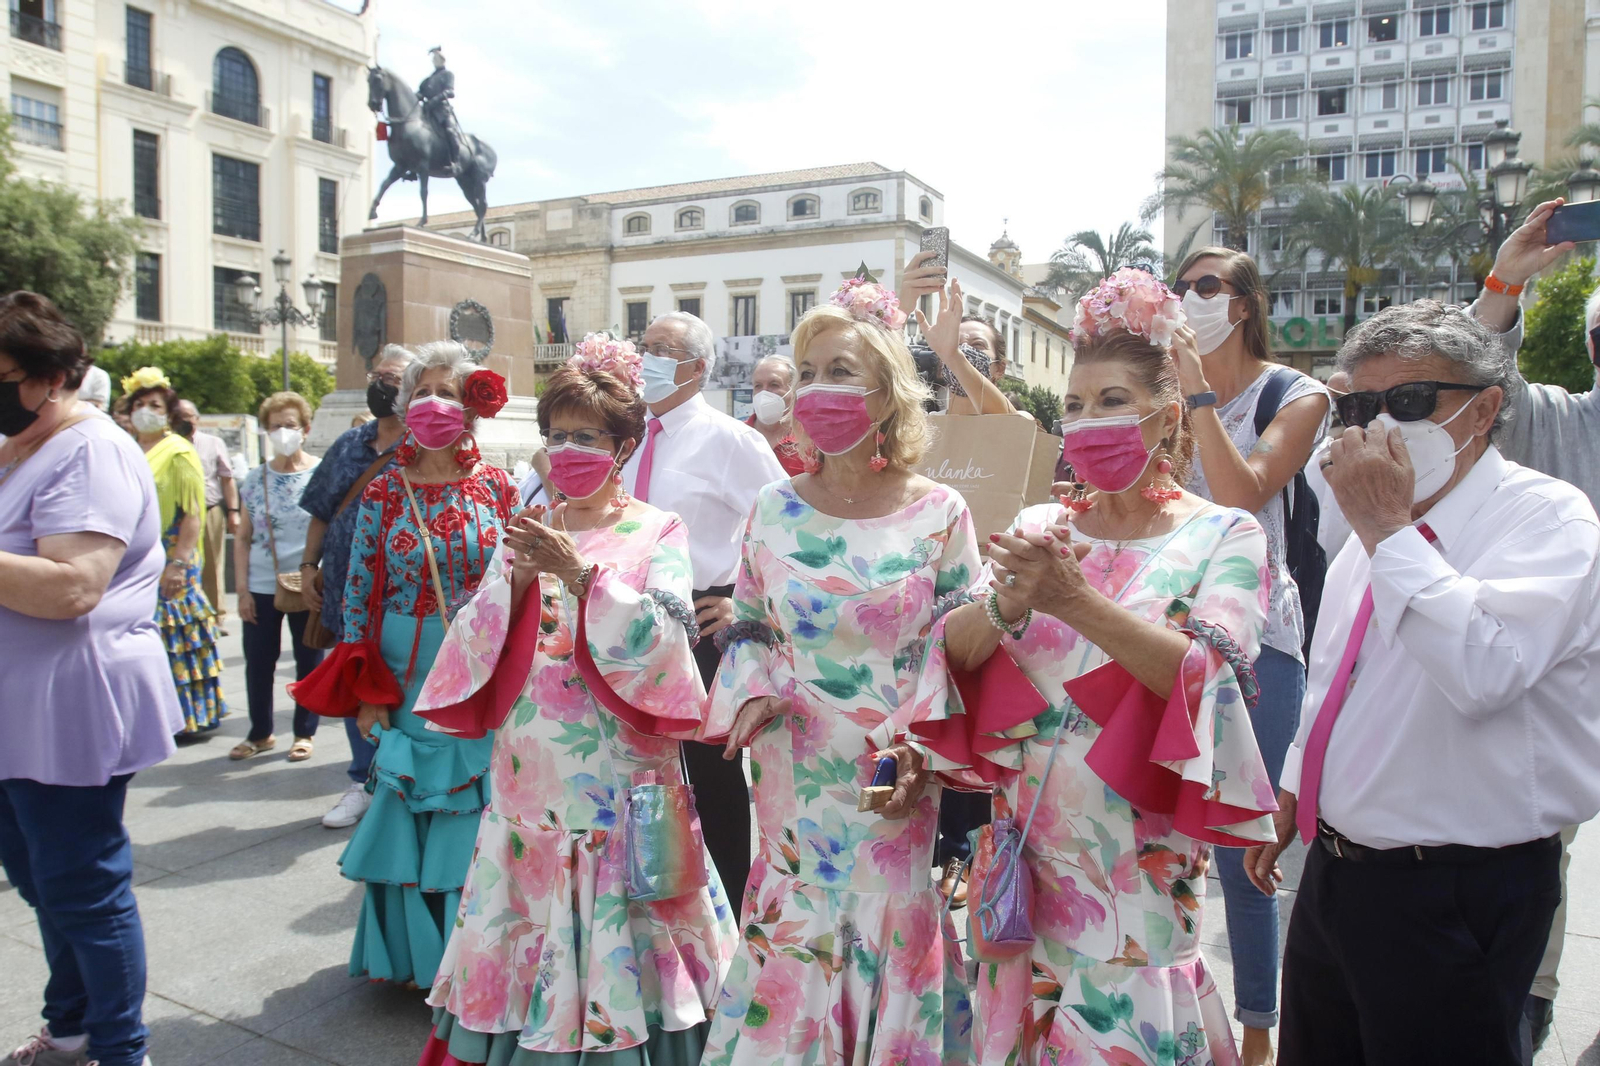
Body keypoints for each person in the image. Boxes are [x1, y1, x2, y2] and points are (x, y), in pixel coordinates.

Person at [907, 268, 1275, 1066]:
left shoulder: (1227, 536)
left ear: (1166, 414)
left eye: (1111, 401)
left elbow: (1207, 684)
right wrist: (1007, 603)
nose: (1085, 421)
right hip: (1027, 864)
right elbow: (954, 649)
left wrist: (1072, 602)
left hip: (1142, 868)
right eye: (1074, 405)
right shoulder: (1042, 522)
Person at [1242, 301, 1600, 1065]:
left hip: (1459, 891)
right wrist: (1295, 785)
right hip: (1339, 879)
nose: (1379, 425)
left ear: (1485, 408)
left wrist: (1388, 530)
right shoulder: (1369, 531)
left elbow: (1485, 669)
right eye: (1359, 406)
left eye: (1408, 402)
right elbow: (1336, 676)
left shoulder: (1546, 518)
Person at [410, 335, 737, 1066]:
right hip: (530, 768)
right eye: (555, 437)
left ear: (622, 446)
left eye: (584, 437)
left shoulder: (659, 528)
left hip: (621, 772)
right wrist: (520, 580)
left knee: (627, 896)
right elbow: (476, 636)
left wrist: (584, 579)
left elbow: (666, 644)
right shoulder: (528, 526)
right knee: (530, 897)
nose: (566, 451)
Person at [700, 280, 975, 1066]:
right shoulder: (772, 508)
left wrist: (919, 746)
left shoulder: (942, 512)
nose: (819, 388)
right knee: (794, 913)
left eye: (841, 371)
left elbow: (958, 641)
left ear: (887, 394)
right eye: (808, 370)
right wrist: (749, 692)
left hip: (895, 766)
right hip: (793, 760)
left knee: (887, 912)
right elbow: (748, 620)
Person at [290, 342, 518, 988]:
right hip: (401, 666)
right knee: (408, 798)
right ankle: (413, 959)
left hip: (474, 667)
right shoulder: (385, 490)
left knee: (471, 803)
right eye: (426, 392)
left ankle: (473, 954)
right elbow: (358, 589)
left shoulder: (498, 487)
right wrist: (366, 691)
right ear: (408, 403)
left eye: (452, 393)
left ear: (472, 407)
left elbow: (517, 586)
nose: (437, 405)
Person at [0, 292, 181, 1066]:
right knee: (47, 882)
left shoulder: (88, 449)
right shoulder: (23, 446)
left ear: (47, 376)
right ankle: (71, 1027)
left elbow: (74, 586)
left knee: (83, 887)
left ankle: (119, 1049)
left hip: (69, 699)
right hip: (21, 703)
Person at [1169, 246, 1329, 1064]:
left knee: (1243, 851)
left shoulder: (1295, 394)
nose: (1187, 298)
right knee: (1159, 840)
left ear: (1242, 304)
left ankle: (1261, 1038)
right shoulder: (1166, 391)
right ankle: (1177, 1012)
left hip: (1260, 643)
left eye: (1205, 287)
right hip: (1165, 638)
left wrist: (1195, 393)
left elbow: (1240, 493)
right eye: (1177, 286)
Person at [621, 310, 786, 904]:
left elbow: (781, 522)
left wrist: (742, 599)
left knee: (712, 774)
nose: (648, 358)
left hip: (698, 621)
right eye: (645, 345)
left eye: (663, 348)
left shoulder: (729, 440)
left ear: (697, 367)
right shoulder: (628, 433)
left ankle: (728, 913)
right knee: (639, 765)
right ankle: (654, 900)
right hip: (625, 618)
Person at [298, 345, 414, 829]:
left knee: (401, 685)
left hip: (404, 597)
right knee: (355, 676)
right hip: (346, 589)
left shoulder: (422, 447)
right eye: (378, 375)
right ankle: (362, 779)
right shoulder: (349, 444)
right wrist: (308, 567)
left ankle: (399, 780)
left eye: (393, 379)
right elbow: (322, 510)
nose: (381, 386)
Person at [125, 367, 227, 735]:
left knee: (176, 634)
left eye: (154, 404)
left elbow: (192, 513)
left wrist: (178, 563)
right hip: (135, 551)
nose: (146, 410)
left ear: (168, 414)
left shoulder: (179, 451)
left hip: (172, 551)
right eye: (140, 403)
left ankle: (187, 717)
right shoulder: (127, 448)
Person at [231, 391, 323, 762]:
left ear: (305, 429)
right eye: (275, 426)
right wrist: (241, 591)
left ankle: (304, 731)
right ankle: (260, 732)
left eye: (289, 425)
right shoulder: (255, 479)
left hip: (307, 584)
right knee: (258, 661)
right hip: (262, 584)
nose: (282, 432)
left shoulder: (320, 474)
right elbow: (242, 537)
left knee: (308, 660)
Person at [898, 251, 1016, 415]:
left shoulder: (1019, 421)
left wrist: (954, 356)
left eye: (978, 345)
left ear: (1000, 368)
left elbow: (1008, 418)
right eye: (956, 343)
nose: (963, 350)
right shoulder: (923, 426)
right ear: (941, 365)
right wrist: (902, 307)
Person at [174, 398, 239, 634]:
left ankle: (216, 617)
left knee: (213, 565)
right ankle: (186, 615)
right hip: (177, 514)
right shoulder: (168, 444)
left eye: (188, 416)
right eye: (179, 415)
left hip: (209, 510)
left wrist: (233, 512)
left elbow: (227, 478)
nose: (184, 420)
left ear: (197, 419)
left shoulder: (213, 443)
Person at [746, 354, 805, 475]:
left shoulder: (809, 439)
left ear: (793, 390)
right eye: (758, 386)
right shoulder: (737, 435)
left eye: (774, 385)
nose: (764, 392)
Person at [417, 46, 468, 177]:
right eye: (433, 59)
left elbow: (450, 92)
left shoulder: (447, 75)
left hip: (442, 110)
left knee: (451, 131)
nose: (435, 61)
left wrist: (435, 100)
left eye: (437, 58)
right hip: (427, 112)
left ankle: (456, 162)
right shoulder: (427, 80)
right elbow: (420, 94)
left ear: (442, 60)